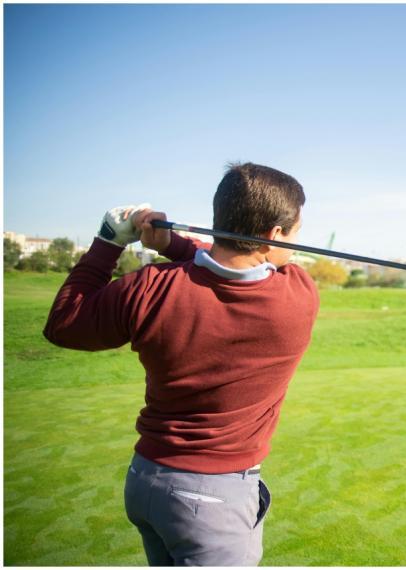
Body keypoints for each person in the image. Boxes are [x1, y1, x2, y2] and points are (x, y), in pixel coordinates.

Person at [43, 163, 319, 566]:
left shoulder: (149, 286)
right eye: (294, 233)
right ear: (273, 235)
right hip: (212, 501)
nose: (295, 245)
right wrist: (172, 244)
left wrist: (109, 240)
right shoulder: (298, 296)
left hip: (144, 480)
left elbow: (64, 324)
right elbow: (229, 265)